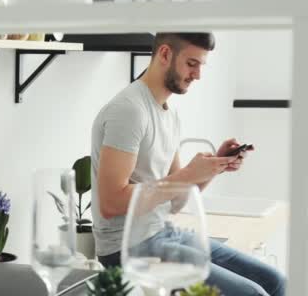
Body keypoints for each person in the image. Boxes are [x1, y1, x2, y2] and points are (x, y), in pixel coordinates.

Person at [90, 33, 286, 295]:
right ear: (164, 54)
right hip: (127, 248)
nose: (198, 75)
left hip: (165, 233)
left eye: (201, 66)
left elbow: (177, 201)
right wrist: (189, 175)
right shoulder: (129, 111)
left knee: (277, 281)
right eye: (191, 63)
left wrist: (212, 168)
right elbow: (111, 203)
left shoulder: (169, 114)